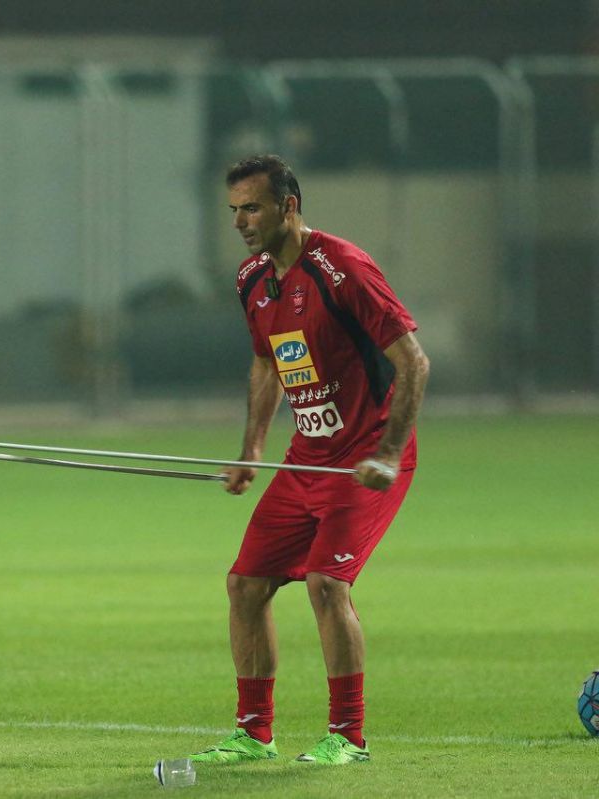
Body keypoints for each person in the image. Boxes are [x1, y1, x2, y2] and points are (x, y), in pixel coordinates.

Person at [190, 154, 430, 765]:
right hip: (307, 462)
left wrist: (387, 453)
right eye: (234, 209)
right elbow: (268, 362)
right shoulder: (252, 279)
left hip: (363, 463)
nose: (240, 222)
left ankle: (348, 736)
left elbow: (413, 362)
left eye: (252, 208)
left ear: (288, 206)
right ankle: (253, 734)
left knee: (326, 584)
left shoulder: (341, 267)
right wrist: (251, 451)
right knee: (245, 585)